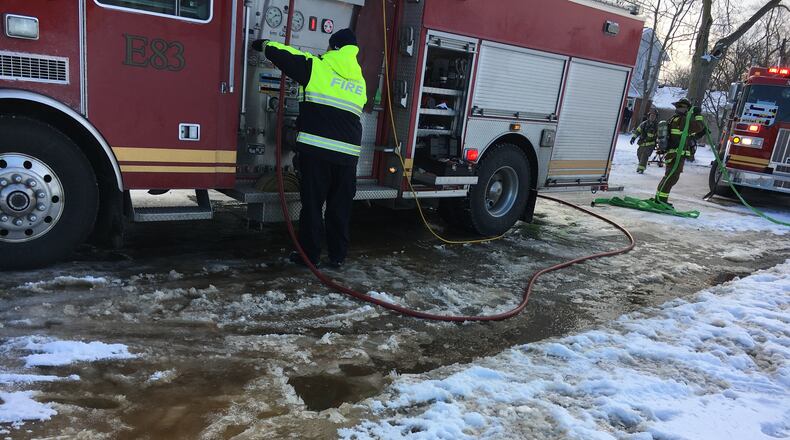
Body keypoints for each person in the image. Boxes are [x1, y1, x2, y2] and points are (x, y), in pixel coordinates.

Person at [252, 29, 367, 268]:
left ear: (334, 47)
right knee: (340, 209)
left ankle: (310, 256)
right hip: (348, 158)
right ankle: (337, 256)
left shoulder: (318, 67)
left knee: (313, 207)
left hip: (318, 154)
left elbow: (289, 55)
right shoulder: (360, 81)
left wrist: (264, 44)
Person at [655, 98, 706, 205]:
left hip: (674, 154)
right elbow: (698, 126)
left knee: (669, 177)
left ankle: (659, 198)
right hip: (676, 154)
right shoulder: (682, 120)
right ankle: (661, 200)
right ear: (686, 109)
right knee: (671, 178)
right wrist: (698, 115)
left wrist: (698, 135)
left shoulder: (675, 119)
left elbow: (685, 136)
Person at [630, 109, 658, 174]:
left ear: (656, 117)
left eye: (654, 116)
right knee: (639, 154)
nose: (652, 117)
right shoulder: (644, 124)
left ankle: (641, 169)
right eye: (651, 115)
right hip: (642, 143)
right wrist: (633, 138)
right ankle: (642, 164)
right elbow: (638, 131)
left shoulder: (657, 126)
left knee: (644, 155)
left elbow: (660, 135)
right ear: (649, 116)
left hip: (650, 144)